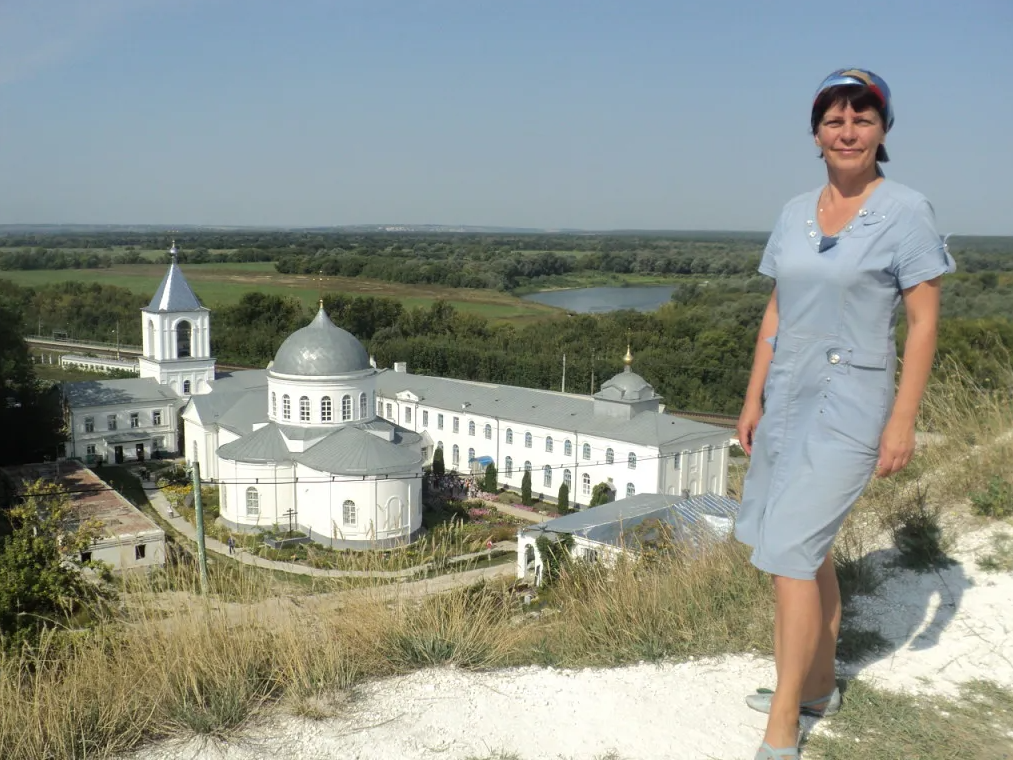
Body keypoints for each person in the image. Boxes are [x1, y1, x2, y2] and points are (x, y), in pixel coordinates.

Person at [734, 68, 955, 760]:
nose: (848, 130)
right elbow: (777, 309)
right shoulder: (794, 211)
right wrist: (752, 396)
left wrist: (902, 418)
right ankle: (818, 686)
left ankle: (784, 722)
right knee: (807, 546)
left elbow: (923, 322)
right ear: (816, 134)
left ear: (882, 131)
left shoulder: (906, 211)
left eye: (863, 118)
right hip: (787, 398)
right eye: (835, 119)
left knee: (789, 552)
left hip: (852, 403)